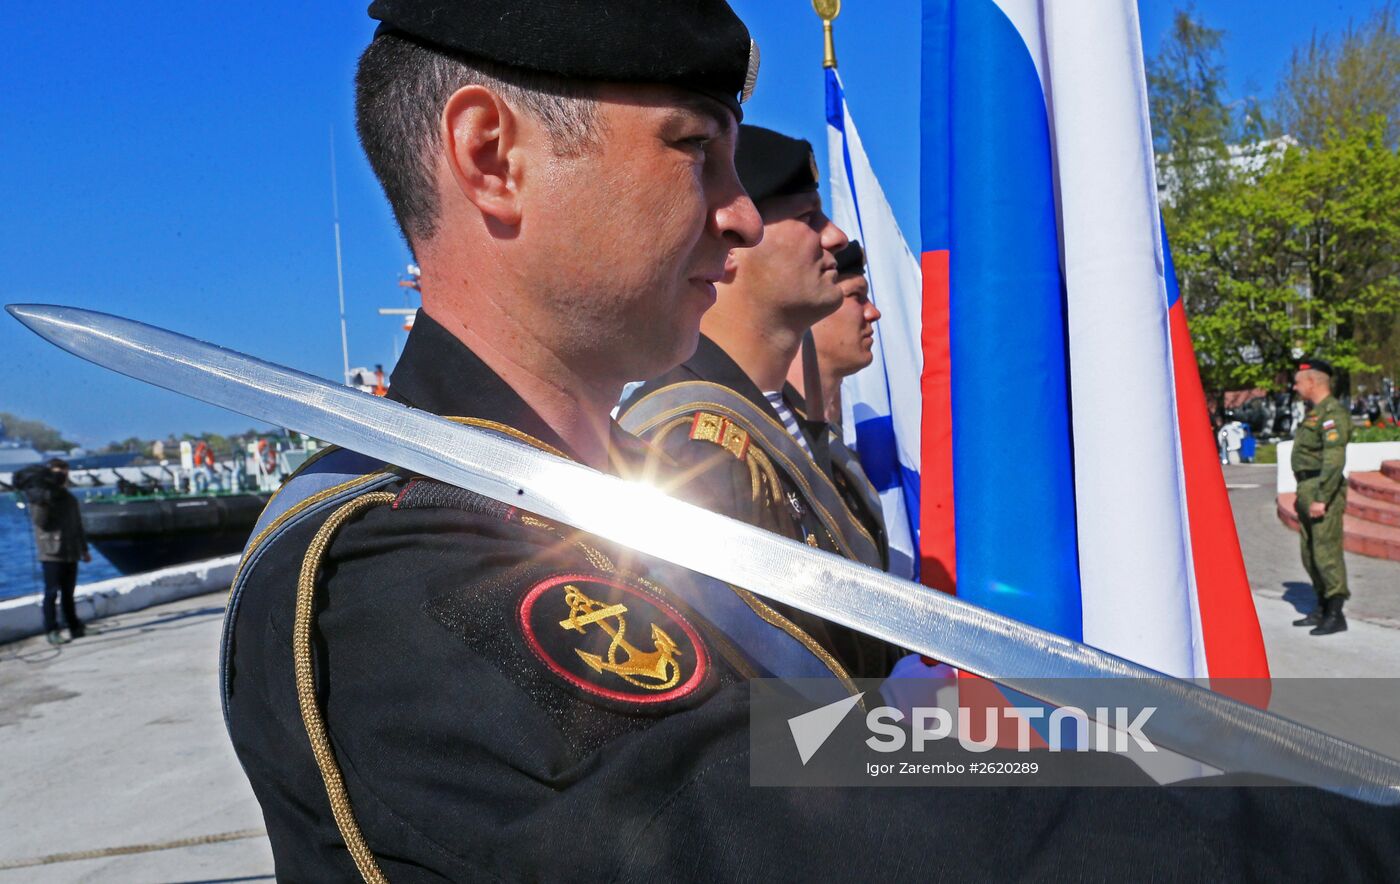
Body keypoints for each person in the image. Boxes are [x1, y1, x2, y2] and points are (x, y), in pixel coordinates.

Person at [217, 4, 1398, 879]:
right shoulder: (392, 564)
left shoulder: (603, 498)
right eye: (693, 146)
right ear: (491, 156)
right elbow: (782, 819)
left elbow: (841, 741)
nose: (739, 212)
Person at [618, 124, 898, 677]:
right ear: (734, 244)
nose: (836, 236)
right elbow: (727, 689)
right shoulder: (687, 440)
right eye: (809, 217)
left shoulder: (786, 424)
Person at [783, 239, 888, 569]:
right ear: (816, 305)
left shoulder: (839, 450)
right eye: (857, 297)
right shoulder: (775, 431)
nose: (873, 312)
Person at [1290, 358, 1352, 636]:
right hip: (1308, 487)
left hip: (1320, 489)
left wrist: (1322, 497)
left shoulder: (1332, 414)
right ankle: (1321, 607)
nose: (1295, 386)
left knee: (1326, 553)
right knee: (1309, 553)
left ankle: (1335, 613)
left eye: (1298, 381)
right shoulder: (1315, 413)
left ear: (1313, 382)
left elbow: (1334, 458)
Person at [23, 458, 90, 644]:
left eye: (64, 470)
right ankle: (51, 629)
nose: (62, 474)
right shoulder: (40, 497)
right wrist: (46, 500)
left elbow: (77, 525)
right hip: (51, 551)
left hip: (70, 550)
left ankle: (74, 626)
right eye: (58, 470)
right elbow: (41, 522)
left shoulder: (69, 498)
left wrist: (84, 549)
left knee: (69, 592)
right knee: (51, 592)